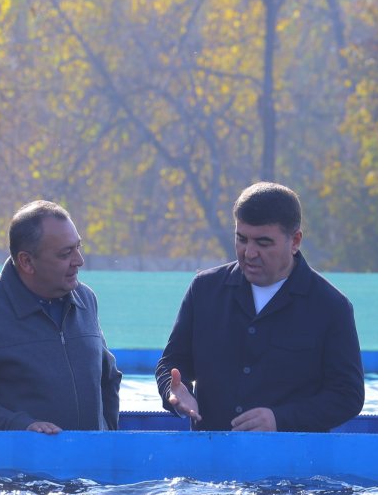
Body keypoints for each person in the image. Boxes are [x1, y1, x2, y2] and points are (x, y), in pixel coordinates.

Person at [156, 181, 364, 432]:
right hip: (210, 462)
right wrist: (175, 391)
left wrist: (281, 419)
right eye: (241, 239)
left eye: (263, 243)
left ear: (295, 240)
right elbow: (172, 363)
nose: (249, 252)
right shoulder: (204, 289)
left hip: (293, 466)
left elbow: (347, 396)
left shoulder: (332, 306)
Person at [0, 200, 121, 433]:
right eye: (65, 254)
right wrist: (19, 427)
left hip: (89, 466)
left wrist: (107, 438)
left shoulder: (86, 300)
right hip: (15, 468)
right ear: (26, 261)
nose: (79, 261)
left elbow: (109, 378)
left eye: (78, 247)